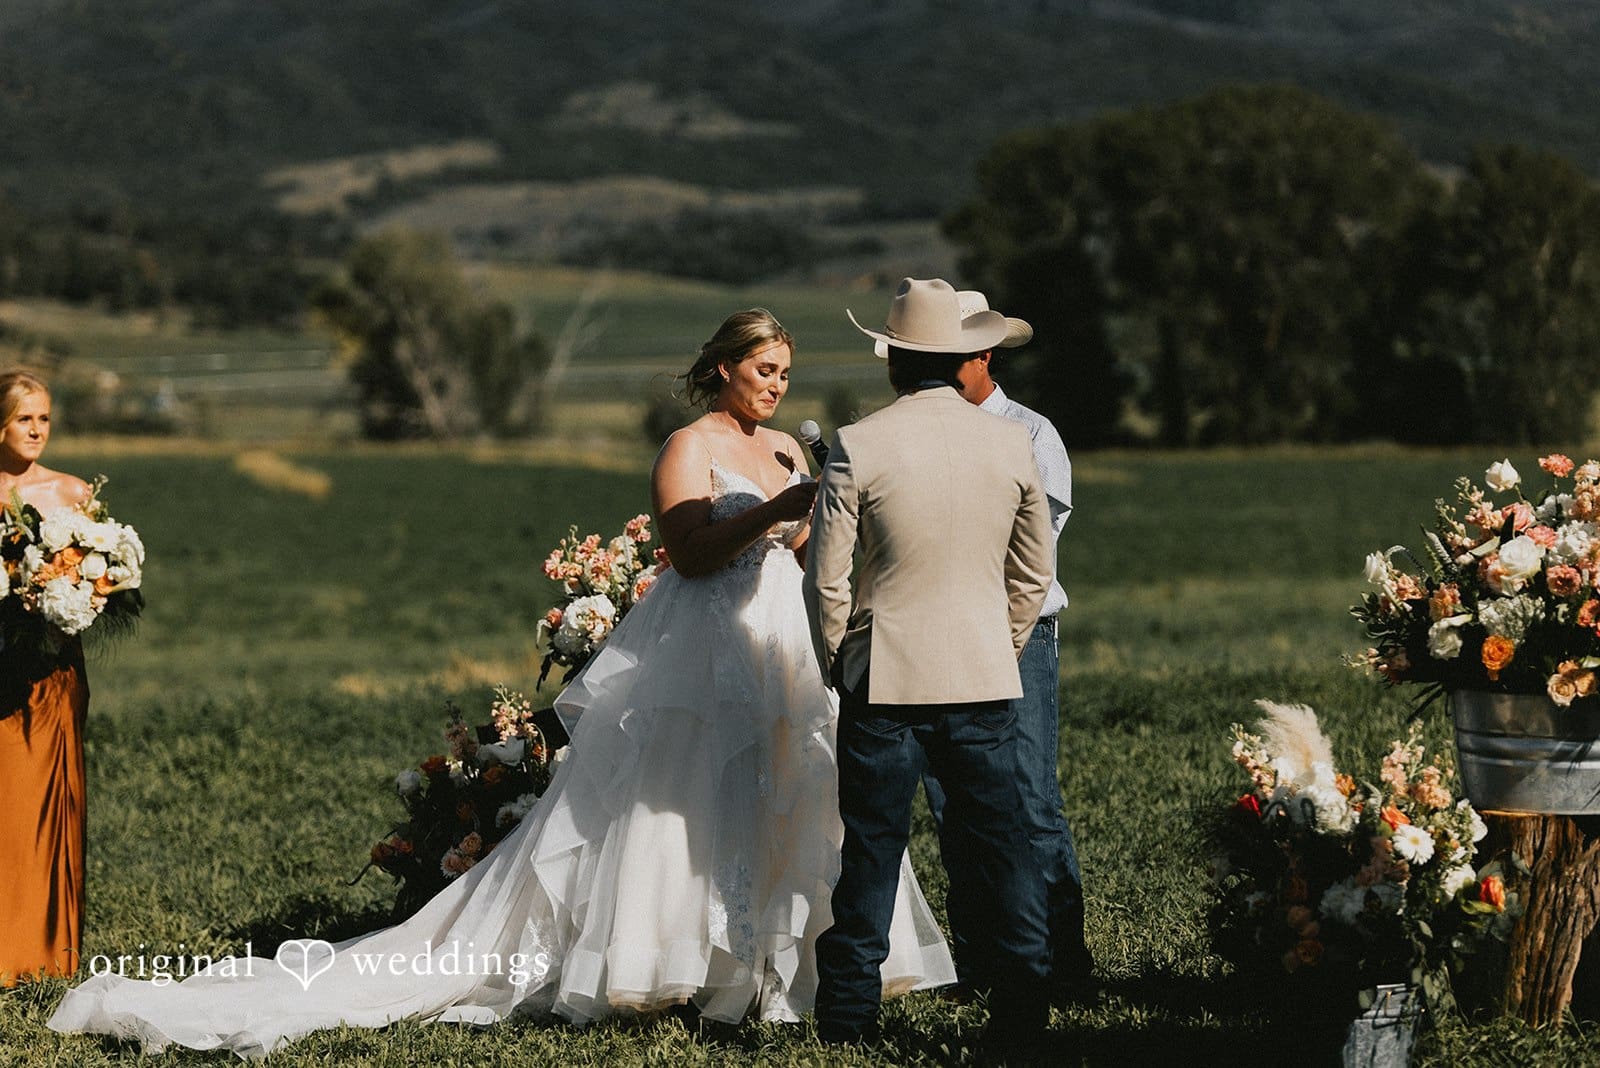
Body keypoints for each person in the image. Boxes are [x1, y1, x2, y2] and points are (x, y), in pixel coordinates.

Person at [48, 310, 953, 1056]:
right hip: (701, 649)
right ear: (721, 368)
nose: (776, 382)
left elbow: (790, 551)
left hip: (776, 645)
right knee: (679, 799)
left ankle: (766, 965)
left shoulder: (786, 455)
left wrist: (814, 519)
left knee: (779, 793)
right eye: (762, 366)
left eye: (785, 369)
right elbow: (688, 550)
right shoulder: (690, 445)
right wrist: (777, 511)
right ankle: (659, 962)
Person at [803, 278, 1055, 1053]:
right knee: (1003, 848)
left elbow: (828, 578)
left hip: (885, 678)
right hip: (983, 677)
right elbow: (1032, 575)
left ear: (893, 362)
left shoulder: (860, 442)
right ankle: (1021, 1006)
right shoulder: (1013, 441)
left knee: (872, 850)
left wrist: (839, 658)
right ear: (957, 356)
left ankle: (848, 1017)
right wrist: (1001, 644)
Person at [919, 290, 1094, 994]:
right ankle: (981, 961)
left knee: (1028, 798)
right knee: (951, 799)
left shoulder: (1031, 433)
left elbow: (1030, 553)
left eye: (943, 359)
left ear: (982, 355)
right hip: (937, 631)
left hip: (1012, 631)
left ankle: (1060, 960)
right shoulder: (918, 431)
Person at [1, 369, 94, 988]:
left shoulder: (73, 492)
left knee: (48, 809)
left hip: (53, 673)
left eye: (44, 419)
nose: (36, 430)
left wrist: (81, 594)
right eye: (23, 419)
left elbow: (100, 582)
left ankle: (44, 954)